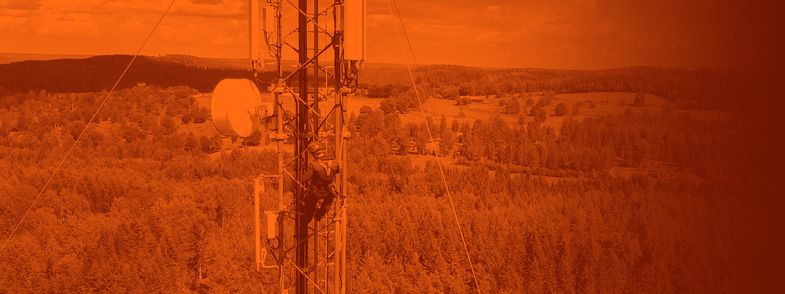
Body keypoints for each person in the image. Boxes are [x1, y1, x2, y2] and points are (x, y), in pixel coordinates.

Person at [303, 141, 339, 221]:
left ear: (314, 154)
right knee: (329, 200)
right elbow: (337, 171)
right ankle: (319, 215)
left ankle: (307, 218)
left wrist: (310, 182)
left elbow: (305, 178)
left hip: (316, 191)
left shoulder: (314, 165)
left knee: (311, 203)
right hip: (329, 190)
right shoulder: (334, 162)